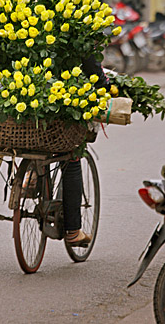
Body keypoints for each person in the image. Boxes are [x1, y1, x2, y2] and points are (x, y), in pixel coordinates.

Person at [62, 56, 110, 246]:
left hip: (27, 85)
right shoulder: (81, 28)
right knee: (72, 157)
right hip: (64, 96)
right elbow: (89, 59)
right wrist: (103, 85)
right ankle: (73, 231)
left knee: (33, 143)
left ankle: (30, 178)